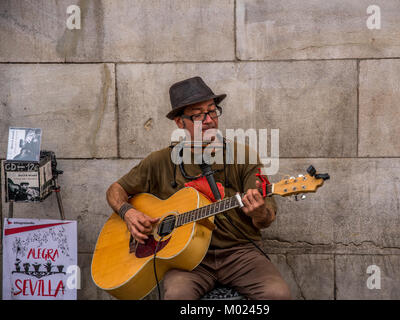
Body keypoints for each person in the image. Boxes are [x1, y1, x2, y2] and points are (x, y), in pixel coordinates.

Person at [106, 76, 291, 300]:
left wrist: (259, 212)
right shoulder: (161, 161)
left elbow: (266, 218)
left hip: (240, 252)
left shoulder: (243, 156)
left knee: (277, 294)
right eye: (197, 115)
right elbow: (115, 190)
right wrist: (128, 212)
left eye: (212, 111)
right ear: (180, 122)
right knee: (177, 296)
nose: (209, 120)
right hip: (187, 261)